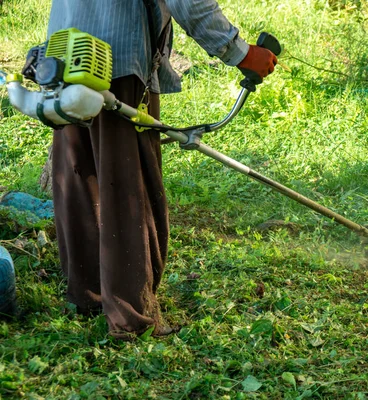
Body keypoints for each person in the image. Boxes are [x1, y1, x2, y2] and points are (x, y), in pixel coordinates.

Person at [46, 0, 277, 339]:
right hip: (116, 60)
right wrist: (239, 52)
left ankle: (88, 296)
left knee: (82, 176)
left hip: (64, 52)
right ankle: (130, 317)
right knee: (125, 185)